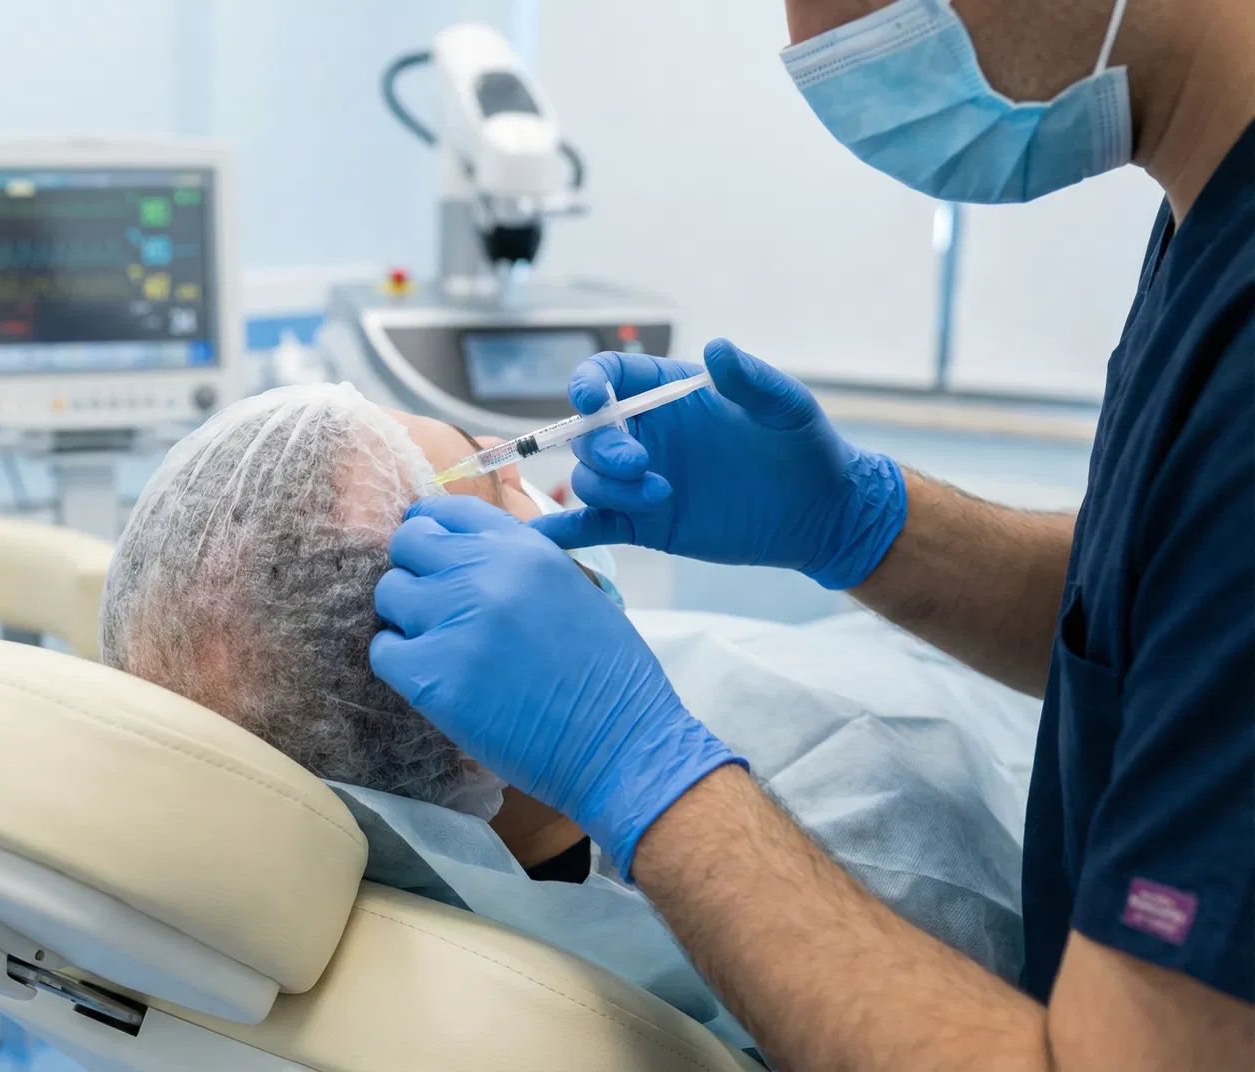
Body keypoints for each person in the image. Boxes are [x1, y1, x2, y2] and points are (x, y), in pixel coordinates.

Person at [369, 0, 1255, 1067]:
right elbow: (1173, 609)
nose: (809, 46)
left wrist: (645, 772)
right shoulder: (1206, 213)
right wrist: (863, 523)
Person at [101, 383, 1041, 1042]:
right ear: (458, 688)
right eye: (498, 480)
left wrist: (859, 521)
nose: (543, 484)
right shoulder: (880, 852)